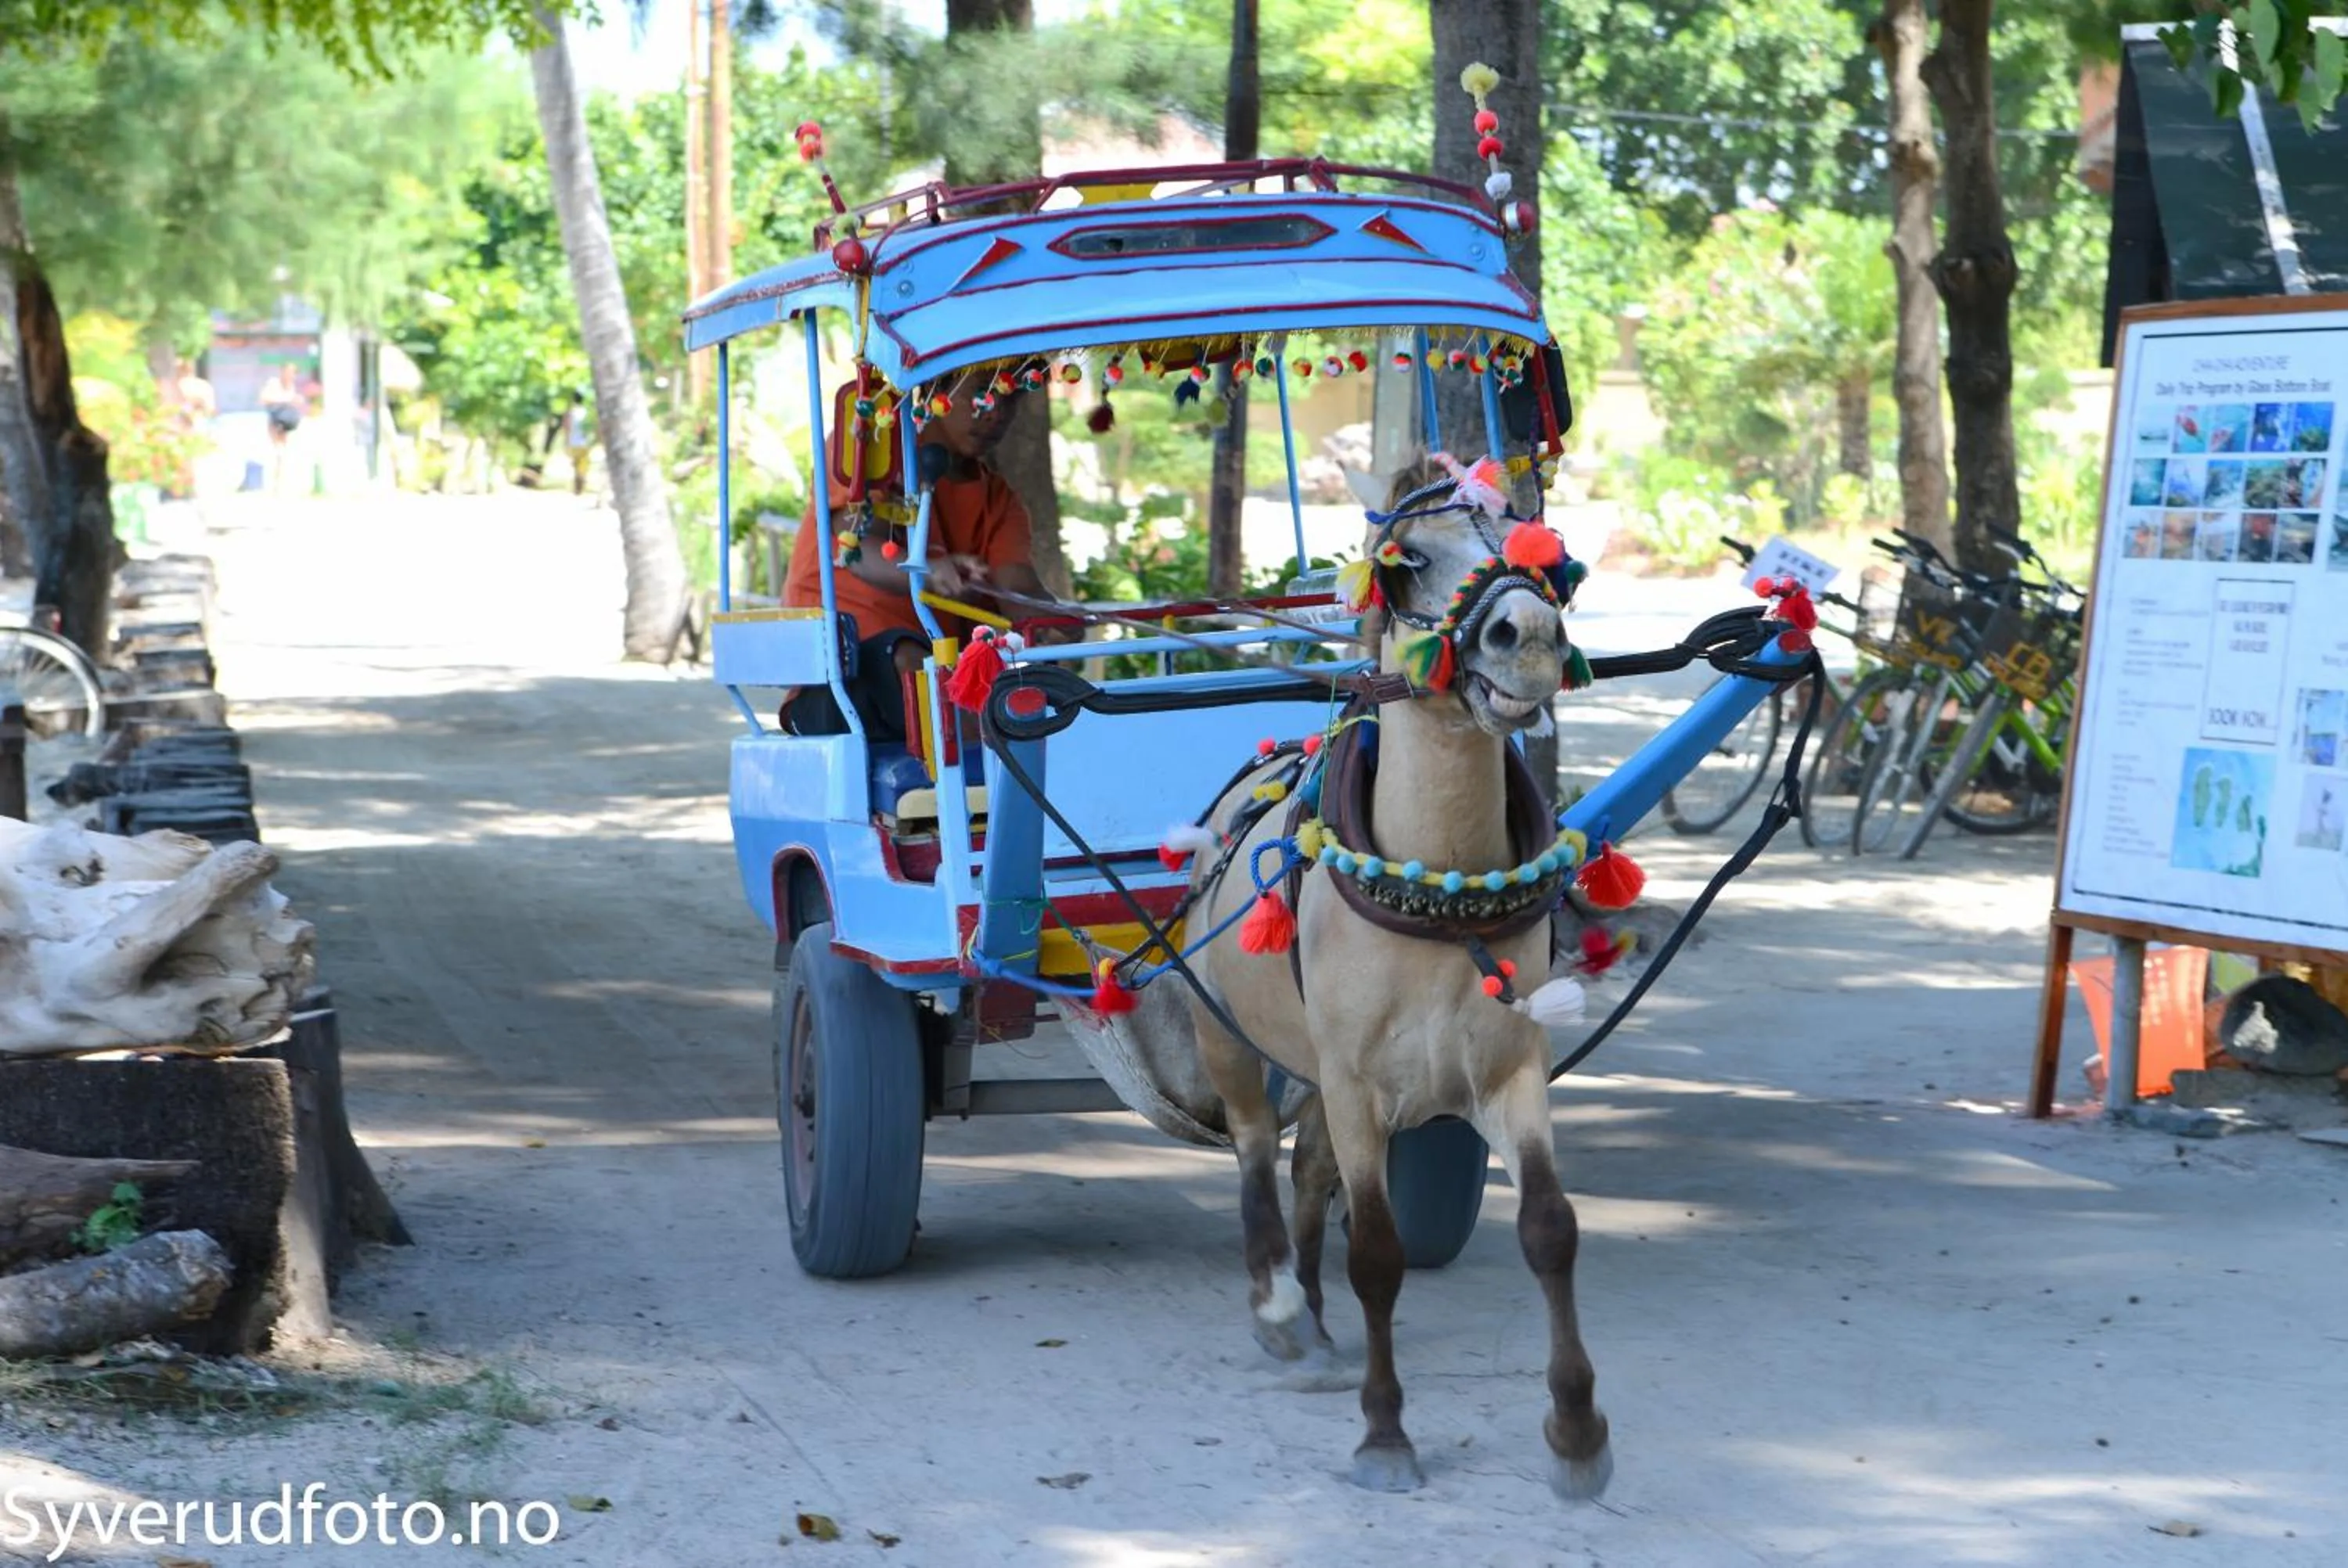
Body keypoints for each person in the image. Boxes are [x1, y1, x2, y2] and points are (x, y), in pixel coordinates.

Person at [780, 381, 1061, 741]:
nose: (996, 414)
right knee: (914, 665)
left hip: (936, 674)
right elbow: (857, 549)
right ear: (933, 387)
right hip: (837, 676)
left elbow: (1017, 588)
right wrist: (927, 572)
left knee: (1033, 681)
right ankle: (990, 749)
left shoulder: (1000, 498)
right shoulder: (874, 440)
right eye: (983, 394)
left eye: (1012, 399)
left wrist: (1055, 620)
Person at [258, 361, 305, 488]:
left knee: (283, 453)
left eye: (294, 373)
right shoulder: (273, 384)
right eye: (289, 372)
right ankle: (272, 483)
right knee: (275, 451)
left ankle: (280, 482)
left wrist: (296, 402)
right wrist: (286, 401)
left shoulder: (292, 387)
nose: (291, 375)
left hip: (287, 423)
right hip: (274, 421)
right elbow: (263, 399)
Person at [561, 389, 596, 496]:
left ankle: (578, 486)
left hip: (573, 442)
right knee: (583, 465)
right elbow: (592, 427)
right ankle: (580, 485)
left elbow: (566, 427)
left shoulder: (570, 413)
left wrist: (566, 441)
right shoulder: (587, 413)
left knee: (576, 465)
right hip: (585, 443)